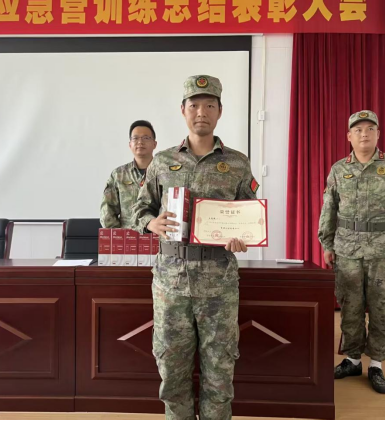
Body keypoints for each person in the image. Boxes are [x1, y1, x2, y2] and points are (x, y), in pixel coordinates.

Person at [131, 75, 259, 419]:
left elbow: (249, 213)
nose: (201, 112)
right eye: (194, 105)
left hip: (219, 282)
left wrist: (242, 236)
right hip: (170, 283)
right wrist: (151, 223)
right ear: (183, 110)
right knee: (171, 366)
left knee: (220, 369)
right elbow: (140, 209)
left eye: (209, 105)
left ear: (220, 112)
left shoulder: (237, 163)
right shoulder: (162, 161)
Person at [318, 110, 385, 394]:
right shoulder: (339, 169)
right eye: (358, 130)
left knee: (381, 307)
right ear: (349, 136)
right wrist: (327, 244)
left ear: (378, 134)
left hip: (382, 251)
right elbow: (329, 209)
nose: (364, 134)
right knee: (349, 307)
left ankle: (376, 364)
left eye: (369, 129)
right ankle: (353, 360)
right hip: (346, 250)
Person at [99, 120, 157, 228]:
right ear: (130, 144)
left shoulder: (164, 173)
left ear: (154, 144)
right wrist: (120, 235)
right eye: (135, 138)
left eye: (146, 138)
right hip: (127, 236)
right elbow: (107, 213)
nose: (140, 142)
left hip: (157, 236)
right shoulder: (118, 175)